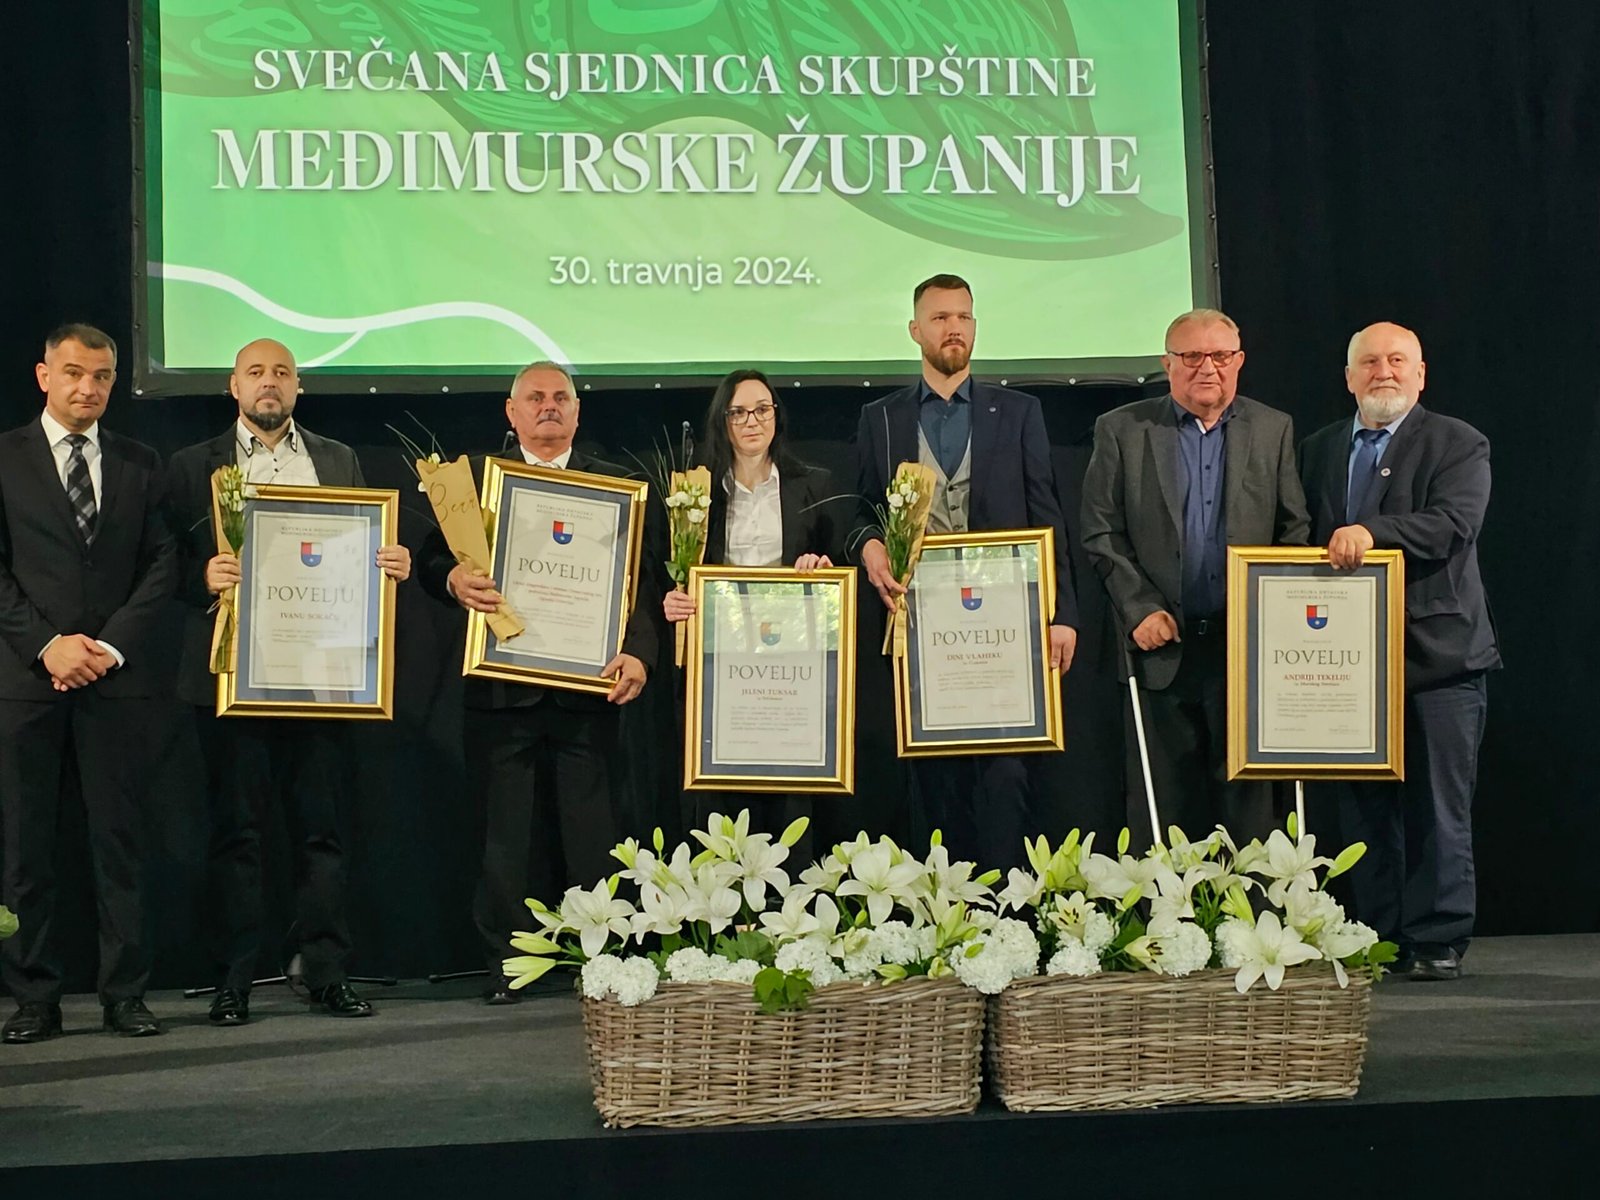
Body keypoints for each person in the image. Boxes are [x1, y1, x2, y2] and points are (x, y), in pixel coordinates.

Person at [166, 338, 411, 1024]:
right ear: (233, 386)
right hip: (232, 679)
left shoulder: (338, 460)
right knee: (236, 835)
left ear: (298, 387)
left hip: (322, 675)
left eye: (281, 372)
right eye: (255, 372)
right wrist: (200, 575)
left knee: (322, 834)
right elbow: (162, 562)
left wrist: (387, 561)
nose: (268, 382)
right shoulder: (192, 466)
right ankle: (233, 981)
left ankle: (327, 973)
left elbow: (358, 549)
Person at [418, 361, 663, 1005]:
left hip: (590, 691)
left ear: (577, 412)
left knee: (594, 839)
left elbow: (645, 583)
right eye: (535, 397)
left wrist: (640, 654)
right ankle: (506, 966)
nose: (548, 406)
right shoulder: (478, 483)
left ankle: (603, 964)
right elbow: (430, 558)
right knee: (502, 839)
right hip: (502, 690)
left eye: (560, 397)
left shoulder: (619, 485)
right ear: (512, 411)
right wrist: (452, 579)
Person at [851, 274, 1078, 869]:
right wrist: (870, 546)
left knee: (1006, 773)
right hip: (921, 627)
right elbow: (860, 510)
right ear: (914, 330)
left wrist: (1062, 614)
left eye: (963, 317)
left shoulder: (1020, 412)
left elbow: (1048, 514)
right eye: (940, 318)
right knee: (933, 776)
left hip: (1005, 627)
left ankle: (1009, 908)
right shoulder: (881, 418)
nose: (954, 328)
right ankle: (940, 907)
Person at [1299, 322, 1499, 981]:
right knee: (1365, 811)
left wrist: (1370, 531)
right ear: (1348, 377)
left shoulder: (1457, 442)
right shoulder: (1319, 449)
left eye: (1397, 360)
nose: (1383, 371)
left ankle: (1437, 940)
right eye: (1369, 362)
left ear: (1420, 373)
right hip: (1349, 663)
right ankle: (1377, 934)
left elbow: (1453, 524)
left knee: (1439, 810)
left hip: (1440, 659)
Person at [0, 324, 178, 1042]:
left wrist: (108, 646)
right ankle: (33, 997)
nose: (88, 388)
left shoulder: (140, 461)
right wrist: (48, 646)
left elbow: (162, 562)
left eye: (101, 376)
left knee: (121, 846)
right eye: (74, 373)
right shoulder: (4, 457)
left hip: (114, 682)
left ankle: (125, 994)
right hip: (26, 682)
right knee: (24, 851)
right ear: (44, 375)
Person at [1080, 308, 1310, 847]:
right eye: (1192, 356)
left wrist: (1268, 616)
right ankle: (1167, 906)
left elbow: (1293, 530)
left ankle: (1251, 905)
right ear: (1168, 364)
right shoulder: (1122, 429)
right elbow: (1100, 531)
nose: (1208, 367)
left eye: (1220, 355)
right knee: (1162, 814)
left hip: (1244, 653)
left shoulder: (1273, 428)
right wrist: (1139, 608)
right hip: (1158, 649)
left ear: (1239, 361)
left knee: (1251, 814)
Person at [660, 368, 841, 854]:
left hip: (792, 668)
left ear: (776, 416)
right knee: (718, 795)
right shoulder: (695, 495)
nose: (752, 421)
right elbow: (671, 574)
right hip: (720, 666)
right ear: (722, 421)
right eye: (738, 412)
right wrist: (672, 599)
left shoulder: (814, 486)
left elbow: (839, 575)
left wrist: (822, 572)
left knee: (790, 792)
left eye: (762, 409)